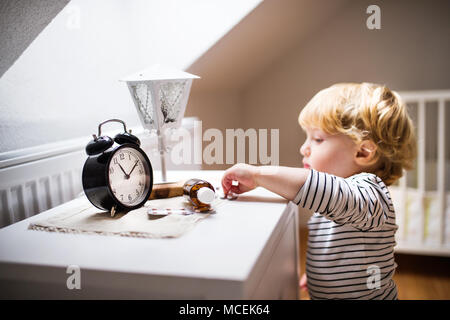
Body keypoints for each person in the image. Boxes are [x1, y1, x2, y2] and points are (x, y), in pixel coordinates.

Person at [221, 83, 416, 300]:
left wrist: (258, 175)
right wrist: (319, 276)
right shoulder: (332, 200)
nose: (304, 148)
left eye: (318, 139)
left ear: (363, 151)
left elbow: (322, 189)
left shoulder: (371, 194)